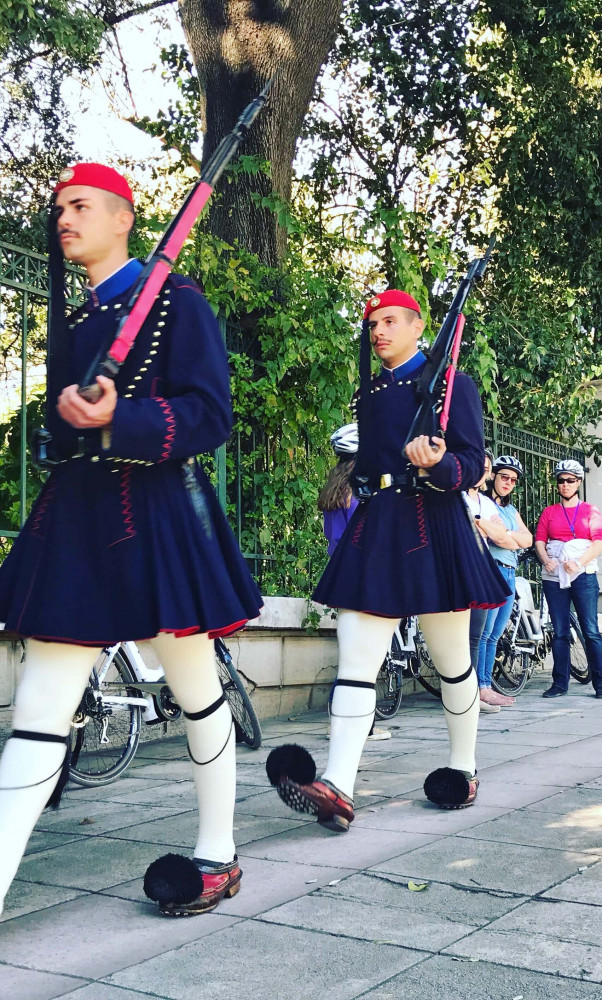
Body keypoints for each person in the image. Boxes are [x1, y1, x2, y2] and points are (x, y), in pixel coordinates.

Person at [0, 163, 263, 917]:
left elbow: (211, 416)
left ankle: (218, 850)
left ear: (124, 218)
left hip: (158, 519)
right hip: (79, 520)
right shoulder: (78, 318)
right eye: (59, 210)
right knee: (39, 707)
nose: (64, 220)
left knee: (196, 693)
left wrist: (124, 418)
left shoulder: (180, 302)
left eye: (80, 206)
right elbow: (63, 426)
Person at [266, 288, 510, 831]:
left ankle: (463, 768)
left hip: (434, 524)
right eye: (373, 323)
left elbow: (473, 463)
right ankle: (338, 784)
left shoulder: (454, 385)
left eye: (391, 321)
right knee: (356, 660)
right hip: (378, 525)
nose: (378, 331)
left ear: (418, 326)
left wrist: (440, 462)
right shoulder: (372, 388)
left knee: (452, 662)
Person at [319, 423, 390, 741]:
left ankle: (343, 723)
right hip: (365, 577)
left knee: (350, 656)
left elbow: (333, 538)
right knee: (364, 657)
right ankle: (362, 726)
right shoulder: (361, 493)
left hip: (341, 577)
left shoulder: (336, 489)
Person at [535, 460, 602, 698]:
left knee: (591, 630)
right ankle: (559, 683)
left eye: (570, 480)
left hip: (583, 575)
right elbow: (540, 541)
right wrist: (546, 559)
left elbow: (598, 544)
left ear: (579, 483)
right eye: (561, 480)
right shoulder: (549, 512)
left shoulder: (590, 511)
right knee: (560, 630)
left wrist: (578, 562)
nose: (565, 485)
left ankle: (600, 684)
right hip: (555, 577)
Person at [463, 449, 519, 714]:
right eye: (481, 467)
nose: (483, 472)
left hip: (483, 570)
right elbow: (466, 527)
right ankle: (471, 692)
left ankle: (477, 691)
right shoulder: (460, 496)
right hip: (467, 568)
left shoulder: (484, 504)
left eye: (485, 467)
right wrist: (485, 525)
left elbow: (503, 537)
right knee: (472, 636)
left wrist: (479, 522)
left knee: (480, 635)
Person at [476, 456, 532, 708]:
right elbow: (497, 540)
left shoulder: (510, 510)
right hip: (492, 570)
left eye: (513, 480)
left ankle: (485, 685)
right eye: (504, 477)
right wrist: (512, 538)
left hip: (510, 572)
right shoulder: (485, 504)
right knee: (484, 633)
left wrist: (507, 535)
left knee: (496, 634)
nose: (508, 482)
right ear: (494, 477)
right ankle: (480, 687)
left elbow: (529, 540)